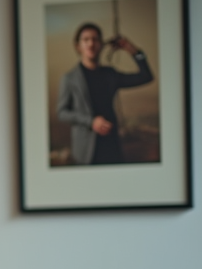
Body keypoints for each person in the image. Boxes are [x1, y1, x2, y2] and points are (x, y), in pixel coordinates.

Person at [56, 22, 153, 165]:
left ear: (101, 44)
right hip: (86, 149)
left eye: (95, 39)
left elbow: (146, 76)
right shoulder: (70, 78)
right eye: (86, 39)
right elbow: (62, 112)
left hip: (111, 143)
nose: (91, 44)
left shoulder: (110, 74)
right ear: (78, 46)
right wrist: (91, 121)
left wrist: (130, 48)